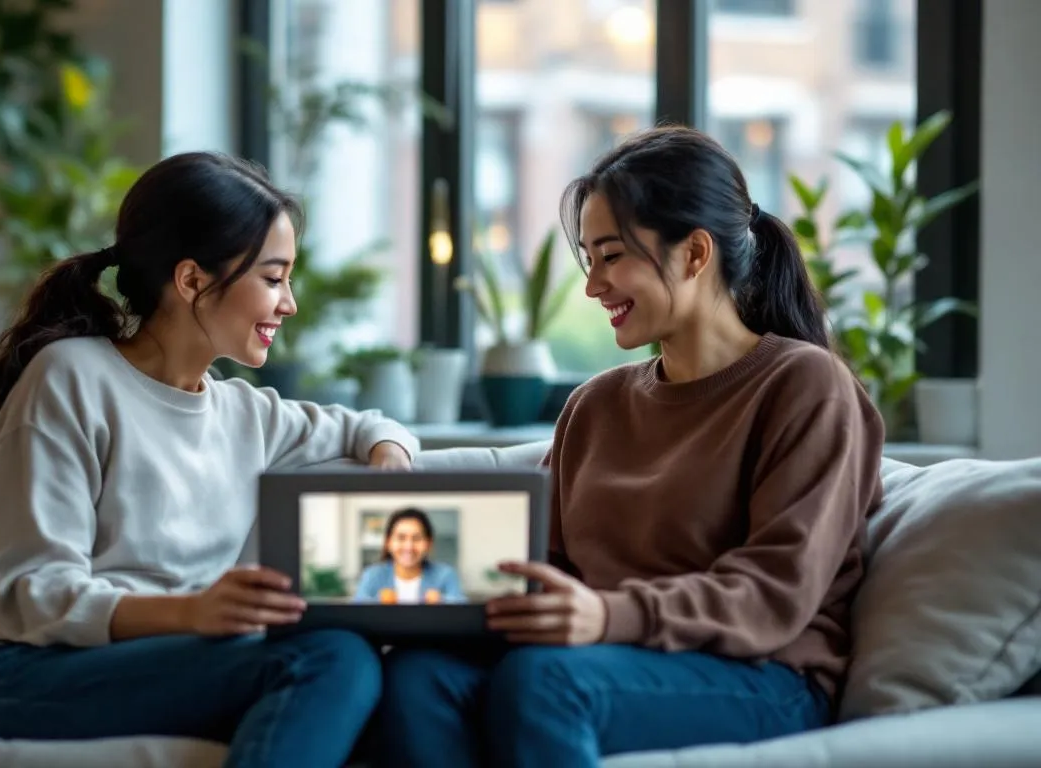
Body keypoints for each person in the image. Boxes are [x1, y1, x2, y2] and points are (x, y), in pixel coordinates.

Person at [374, 126, 885, 767]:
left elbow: (774, 593)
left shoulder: (805, 386)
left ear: (695, 254)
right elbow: (553, 567)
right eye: (589, 261)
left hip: (765, 676)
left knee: (544, 681)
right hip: (603, 658)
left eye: (612, 257)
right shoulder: (596, 404)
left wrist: (608, 617)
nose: (594, 287)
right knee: (419, 676)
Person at [0, 151, 420, 768]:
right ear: (191, 281)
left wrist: (390, 463)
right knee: (327, 659)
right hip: (12, 669)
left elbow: (373, 427)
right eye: (273, 278)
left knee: (389, 674)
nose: (289, 303)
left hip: (154, 657)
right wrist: (193, 612)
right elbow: (31, 593)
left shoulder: (246, 415)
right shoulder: (71, 378)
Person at [354, 507, 465, 604]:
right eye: (401, 538)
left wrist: (441, 601)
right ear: (388, 543)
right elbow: (355, 613)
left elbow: (462, 612)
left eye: (416, 538)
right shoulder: (373, 575)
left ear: (429, 544)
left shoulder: (445, 575)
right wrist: (379, 602)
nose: (409, 547)